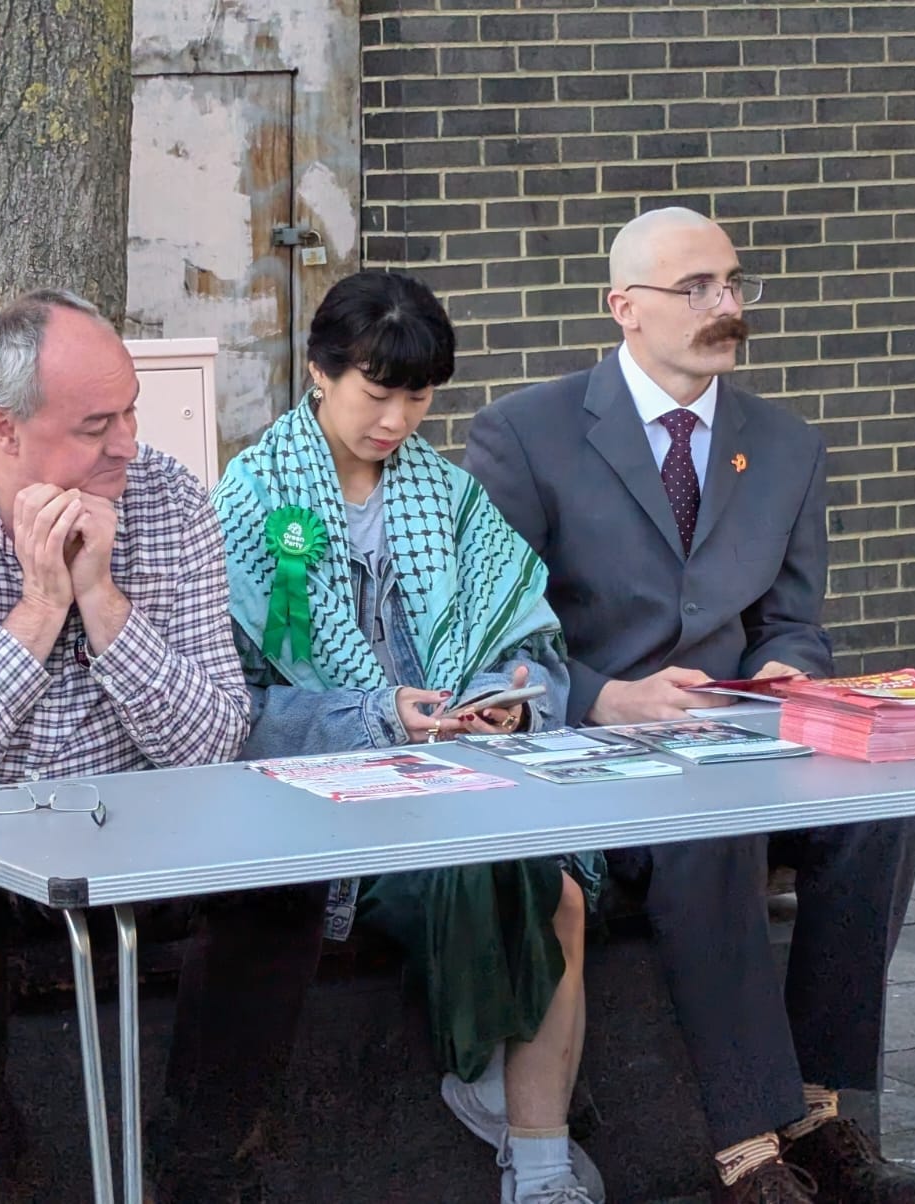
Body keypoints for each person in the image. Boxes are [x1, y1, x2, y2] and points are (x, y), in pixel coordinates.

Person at [463, 209, 915, 1204]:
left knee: (884, 809)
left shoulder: (788, 445)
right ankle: (745, 1150)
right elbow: (489, 639)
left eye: (731, 284)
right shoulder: (525, 435)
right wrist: (604, 695)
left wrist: (786, 669)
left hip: (740, 739)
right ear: (624, 307)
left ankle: (817, 1111)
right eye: (696, 289)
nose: (725, 305)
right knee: (708, 827)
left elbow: (793, 623)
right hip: (595, 754)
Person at [0, 289, 325, 1202]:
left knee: (281, 865)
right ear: (4, 426)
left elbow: (216, 736)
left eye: (131, 411)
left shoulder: (167, 500)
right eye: (96, 426)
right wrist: (41, 609)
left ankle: (204, 1169)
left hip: (134, 831)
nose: (127, 443)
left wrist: (103, 602)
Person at [211, 269, 606, 1204]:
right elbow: (232, 709)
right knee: (517, 875)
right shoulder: (250, 503)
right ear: (319, 371)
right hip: (330, 799)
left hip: (463, 766)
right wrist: (378, 716)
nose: (395, 419)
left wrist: (506, 701)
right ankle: (509, 1108)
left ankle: (536, 1159)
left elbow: (523, 640)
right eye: (376, 391)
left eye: (418, 397)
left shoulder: (451, 497)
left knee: (555, 884)